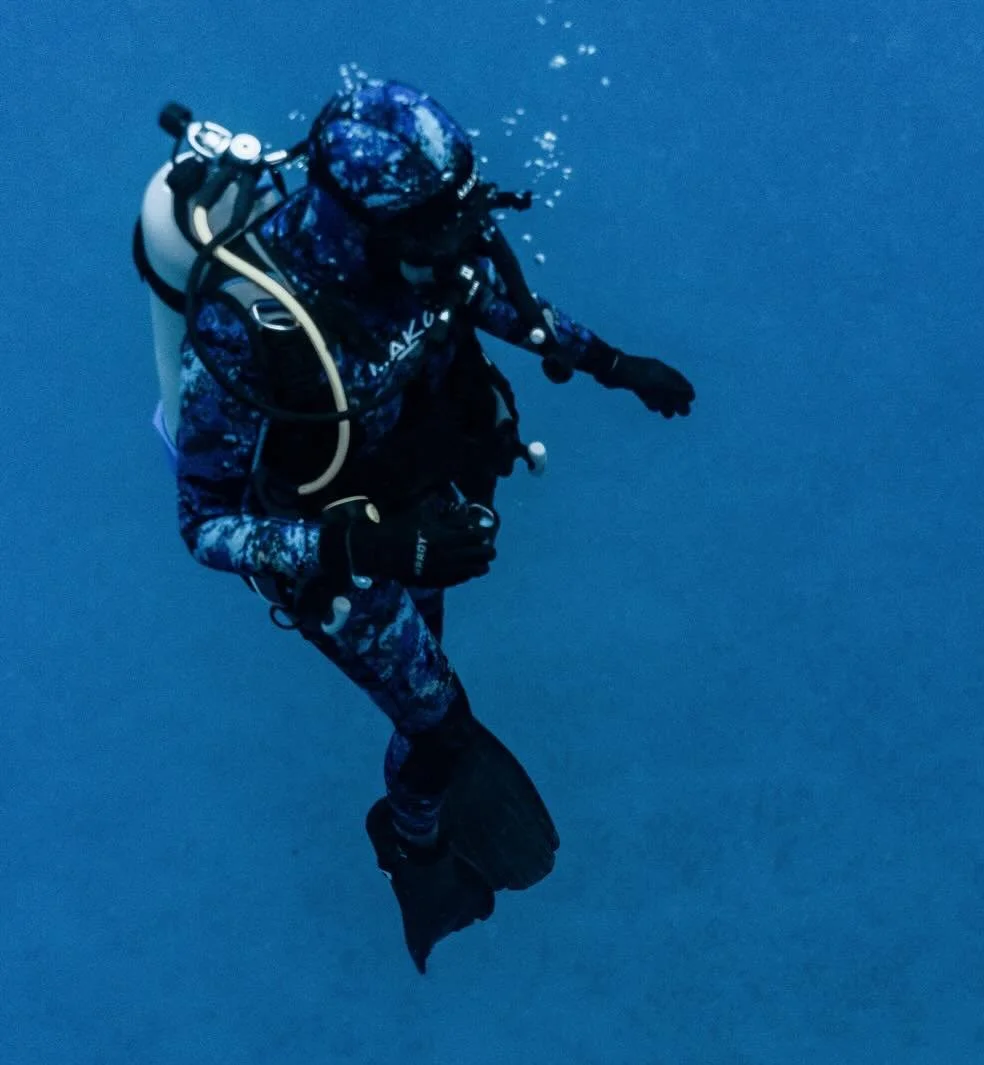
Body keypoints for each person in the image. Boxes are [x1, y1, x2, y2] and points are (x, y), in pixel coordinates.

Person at [169, 79, 693, 971]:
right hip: (339, 549)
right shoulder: (243, 328)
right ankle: (410, 847)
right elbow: (204, 524)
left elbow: (488, 298)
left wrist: (608, 361)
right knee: (439, 726)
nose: (457, 246)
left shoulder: (422, 248)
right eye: (432, 233)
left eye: (459, 219)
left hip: (414, 501)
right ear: (357, 229)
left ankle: (425, 733)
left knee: (432, 658)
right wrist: (362, 547)